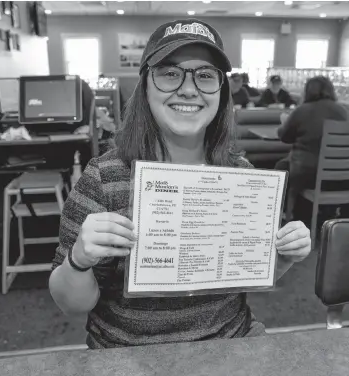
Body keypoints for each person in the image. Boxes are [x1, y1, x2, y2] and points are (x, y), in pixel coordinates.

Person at [49, 18, 312, 349]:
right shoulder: (105, 177)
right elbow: (71, 304)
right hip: (127, 356)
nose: (189, 89)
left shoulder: (241, 175)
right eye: (170, 73)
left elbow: (247, 273)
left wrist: (284, 254)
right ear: (146, 86)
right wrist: (79, 259)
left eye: (204, 75)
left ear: (221, 91)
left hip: (230, 345)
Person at [275, 76, 349, 219]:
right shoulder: (343, 112)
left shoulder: (302, 111)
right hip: (341, 176)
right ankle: (327, 212)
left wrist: (284, 122)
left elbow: (285, 137)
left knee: (282, 166)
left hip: (309, 176)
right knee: (285, 165)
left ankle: (282, 213)